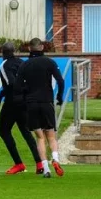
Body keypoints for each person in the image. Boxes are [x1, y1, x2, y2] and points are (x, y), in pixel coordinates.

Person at [17, 38, 65, 179]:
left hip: (32, 104)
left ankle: (45, 169)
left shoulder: (25, 65)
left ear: (29, 49)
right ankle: (55, 159)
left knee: (39, 137)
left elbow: (18, 87)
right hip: (46, 102)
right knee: (51, 135)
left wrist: (27, 94)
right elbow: (60, 81)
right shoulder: (49, 62)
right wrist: (60, 97)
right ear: (42, 47)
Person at [0, 42, 42, 175]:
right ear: (14, 50)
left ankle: (19, 164)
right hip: (24, 102)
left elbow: (11, 83)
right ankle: (39, 163)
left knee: (4, 131)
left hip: (12, 103)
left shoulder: (3, 65)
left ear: (2, 52)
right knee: (26, 132)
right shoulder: (22, 62)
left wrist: (0, 95)